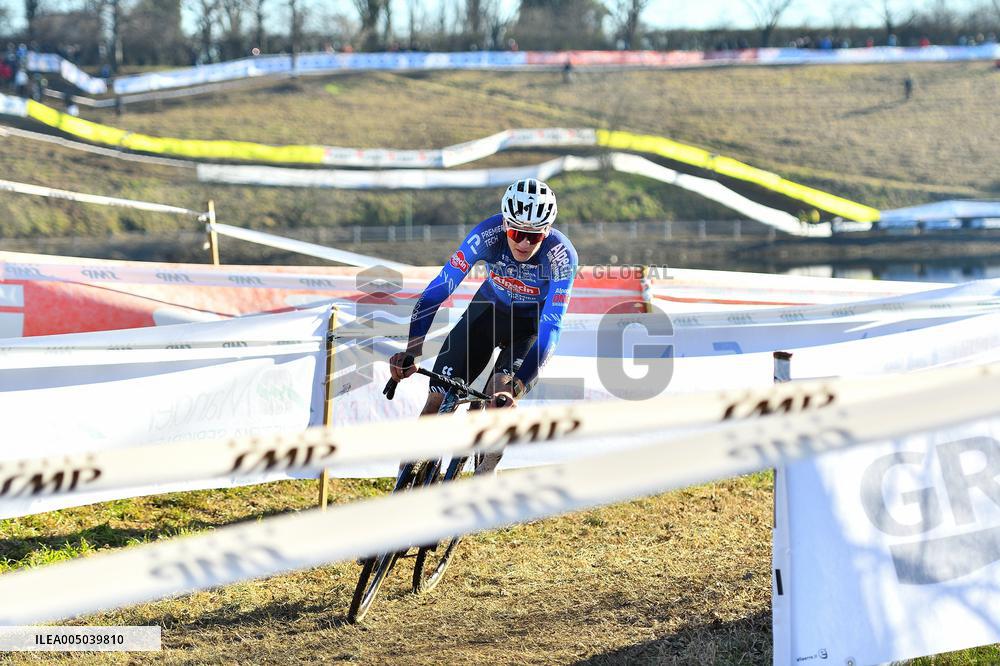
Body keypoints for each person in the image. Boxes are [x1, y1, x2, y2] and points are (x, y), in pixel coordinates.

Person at [389, 178, 577, 425]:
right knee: (434, 403)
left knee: (500, 397)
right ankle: (409, 465)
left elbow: (551, 328)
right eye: (517, 232)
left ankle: (488, 464)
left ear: (547, 231)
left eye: (534, 237)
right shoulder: (487, 235)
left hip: (528, 327)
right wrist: (412, 351)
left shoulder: (562, 256)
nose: (523, 243)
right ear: (505, 223)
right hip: (487, 312)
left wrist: (518, 385)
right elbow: (437, 292)